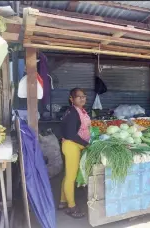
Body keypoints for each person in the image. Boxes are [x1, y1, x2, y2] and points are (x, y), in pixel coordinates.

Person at [59, 88, 90, 218]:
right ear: (72, 99)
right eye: (79, 97)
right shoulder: (72, 112)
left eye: (84, 96)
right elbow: (71, 134)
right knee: (71, 178)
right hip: (71, 146)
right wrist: (87, 144)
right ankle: (72, 207)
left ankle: (62, 201)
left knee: (68, 175)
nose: (82, 98)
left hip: (75, 145)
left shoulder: (79, 111)